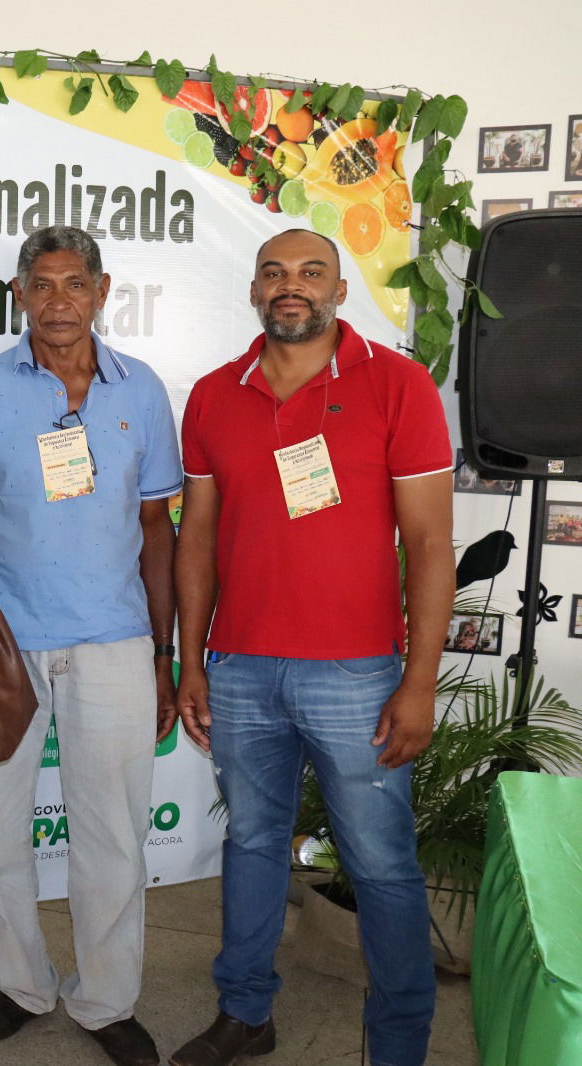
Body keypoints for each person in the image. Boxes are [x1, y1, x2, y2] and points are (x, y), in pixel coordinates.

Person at [170, 228, 453, 1066]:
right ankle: (246, 1012)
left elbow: (431, 547)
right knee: (252, 843)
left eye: (310, 273)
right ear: (254, 290)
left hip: (358, 674)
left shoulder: (397, 385)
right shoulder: (216, 395)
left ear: (337, 289)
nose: (290, 286)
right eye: (274, 273)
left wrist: (419, 684)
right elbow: (197, 540)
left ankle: (399, 1039)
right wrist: (192, 661)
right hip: (242, 667)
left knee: (381, 863)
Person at [0, 225, 182, 1066]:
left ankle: (107, 1000)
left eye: (75, 285)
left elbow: (158, 529)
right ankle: (22, 985)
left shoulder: (141, 391)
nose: (58, 303)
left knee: (112, 832)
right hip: (2, 645)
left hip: (114, 640)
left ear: (102, 292)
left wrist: (162, 649)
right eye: (41, 285)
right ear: (18, 295)